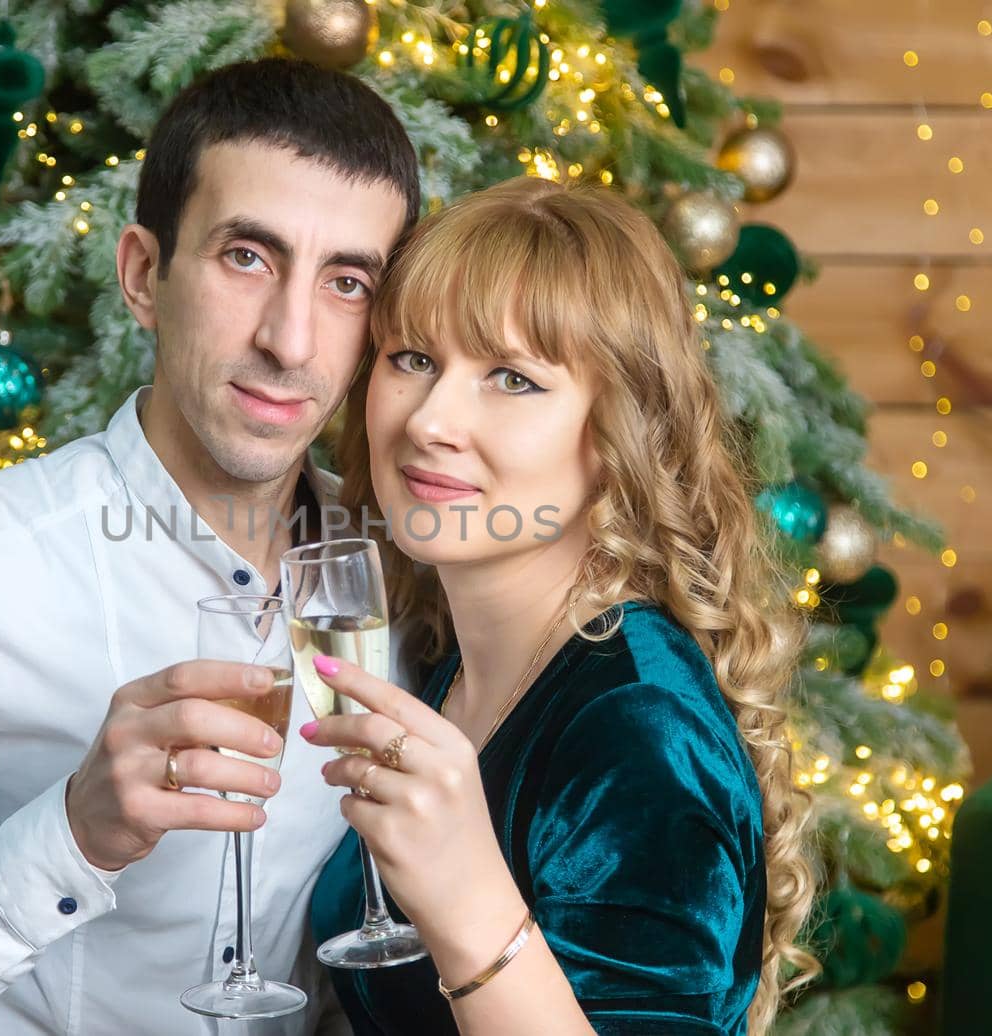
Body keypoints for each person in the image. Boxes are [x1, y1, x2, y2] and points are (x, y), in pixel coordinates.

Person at [0, 58, 421, 1035]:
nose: (292, 339)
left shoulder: (400, 567)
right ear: (144, 275)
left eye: (346, 281)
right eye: (247, 256)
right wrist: (73, 833)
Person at [303, 177, 819, 1035]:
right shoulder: (445, 660)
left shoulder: (638, 722)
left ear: (622, 433)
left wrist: (468, 901)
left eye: (512, 378)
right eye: (414, 360)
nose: (431, 419)